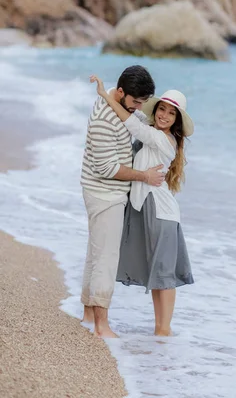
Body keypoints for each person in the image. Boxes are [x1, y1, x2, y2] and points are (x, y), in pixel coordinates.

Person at [90, 74, 194, 337]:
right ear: (156, 109)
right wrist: (114, 91)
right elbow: (132, 114)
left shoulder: (163, 140)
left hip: (161, 213)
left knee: (164, 276)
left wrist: (104, 95)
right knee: (158, 275)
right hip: (149, 208)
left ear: (177, 121)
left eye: (171, 114)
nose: (164, 116)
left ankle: (164, 331)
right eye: (162, 109)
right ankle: (160, 331)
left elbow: (132, 124)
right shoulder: (153, 131)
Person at [81, 65, 165, 338]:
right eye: (135, 102)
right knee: (106, 257)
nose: (139, 108)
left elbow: (137, 119)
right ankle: (101, 326)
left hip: (102, 190)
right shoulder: (105, 119)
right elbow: (107, 168)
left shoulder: (118, 105)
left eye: (142, 102)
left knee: (96, 251)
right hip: (104, 191)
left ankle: (88, 313)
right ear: (120, 93)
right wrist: (144, 176)